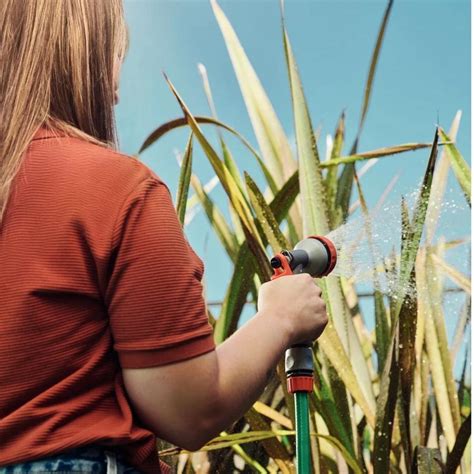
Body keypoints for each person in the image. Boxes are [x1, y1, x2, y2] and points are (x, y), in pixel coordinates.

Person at [0, 1, 328, 473]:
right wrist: (280, 319)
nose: (114, 93)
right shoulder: (116, 189)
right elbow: (188, 410)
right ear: (81, 55)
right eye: (115, 58)